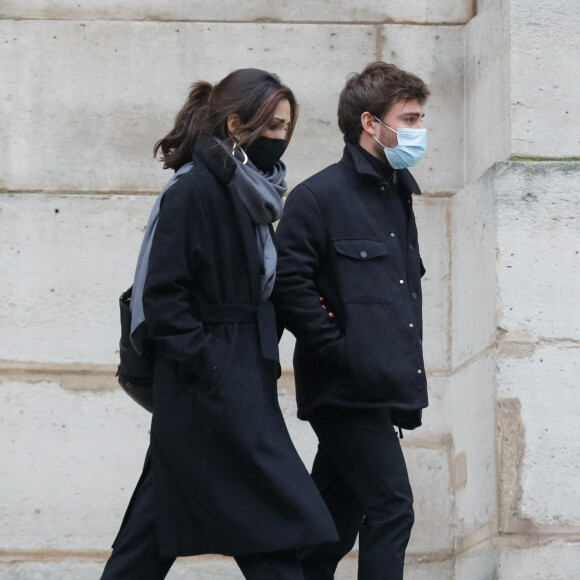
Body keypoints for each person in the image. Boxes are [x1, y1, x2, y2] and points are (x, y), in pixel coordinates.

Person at [101, 69, 337, 580]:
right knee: (278, 525)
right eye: (272, 127)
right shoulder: (193, 191)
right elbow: (164, 296)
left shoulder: (249, 195)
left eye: (285, 129)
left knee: (159, 530)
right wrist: (209, 367)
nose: (281, 139)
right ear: (236, 124)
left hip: (233, 382)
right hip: (207, 387)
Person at [272, 62, 431, 579]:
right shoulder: (318, 198)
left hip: (380, 390)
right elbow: (289, 287)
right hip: (345, 392)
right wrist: (343, 353)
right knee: (391, 508)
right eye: (408, 119)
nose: (418, 130)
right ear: (370, 122)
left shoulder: (397, 195)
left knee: (328, 532)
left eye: (420, 118)